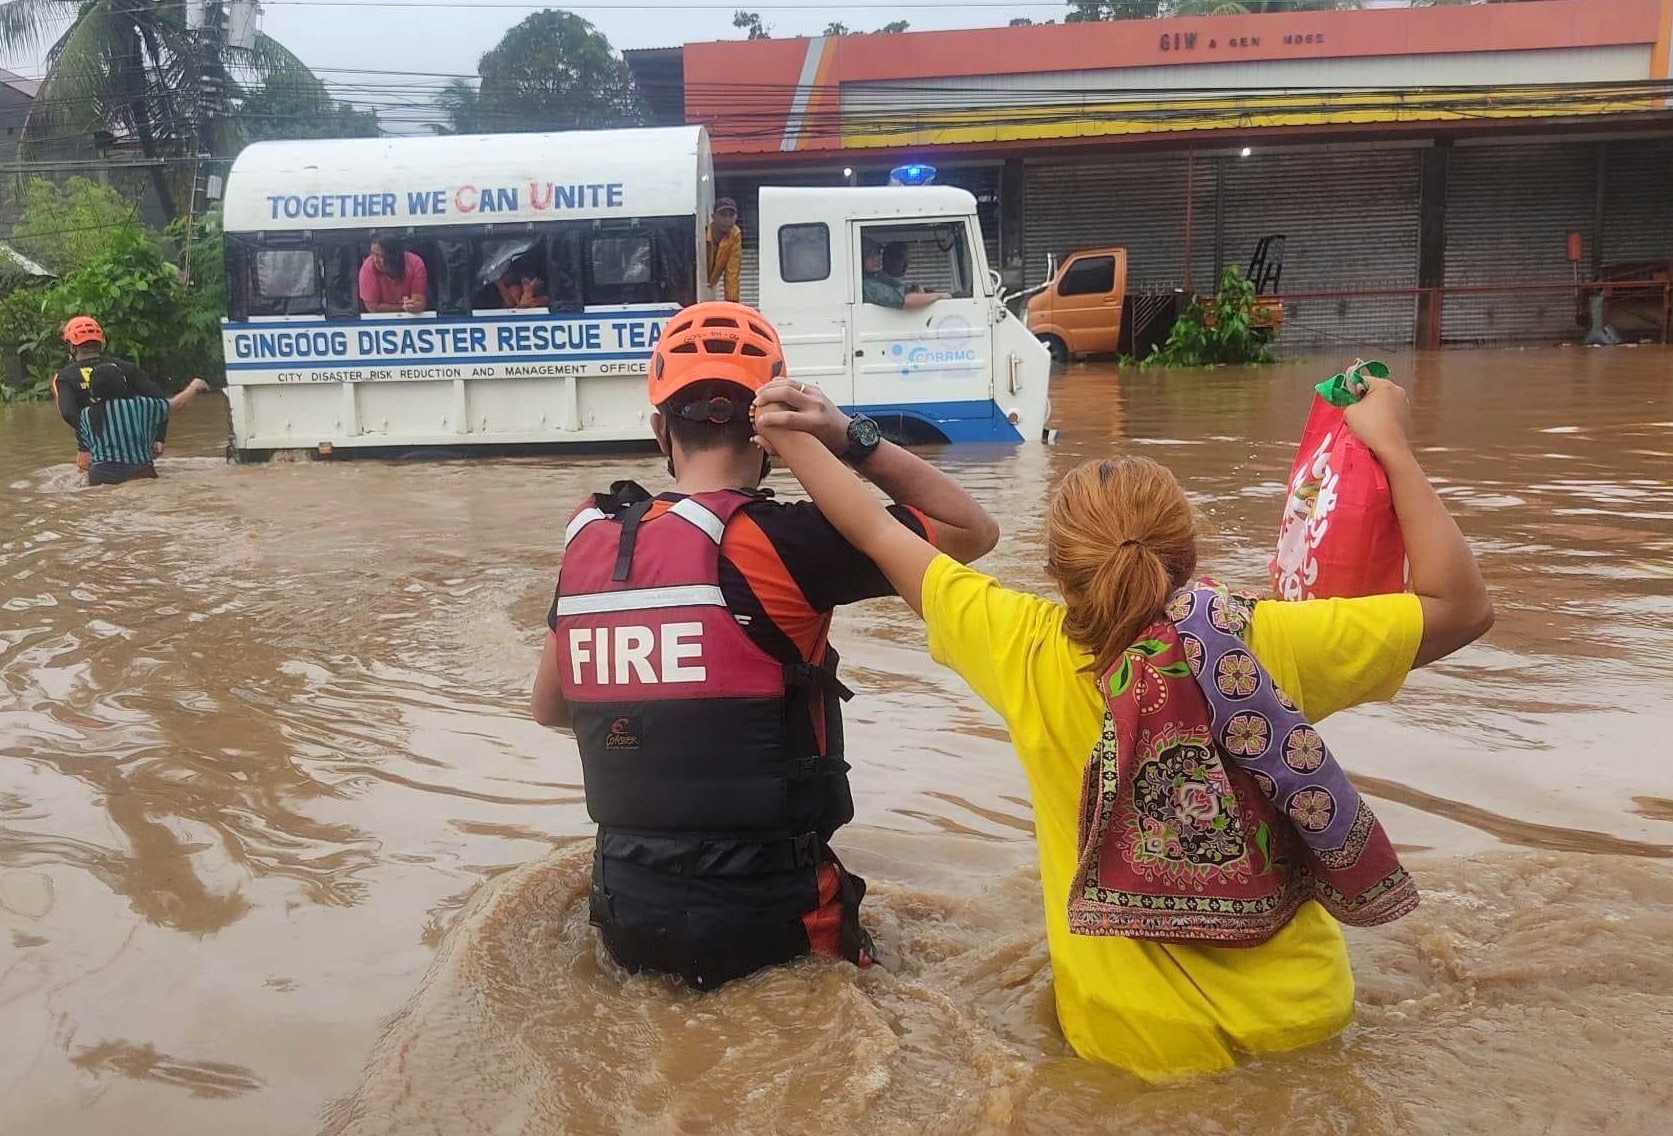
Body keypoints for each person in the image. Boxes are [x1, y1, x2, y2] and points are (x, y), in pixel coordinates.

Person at [750, 374, 1494, 1081]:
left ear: (1054, 568)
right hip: (1303, 1018)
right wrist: (1390, 445)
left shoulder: (1019, 647)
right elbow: (1462, 607)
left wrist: (802, 434)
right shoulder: (1267, 644)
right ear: (1188, 552)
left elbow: (878, 536)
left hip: (1128, 1042)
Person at [530, 301, 999, 991]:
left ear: (660, 428)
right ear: (769, 432)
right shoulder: (790, 542)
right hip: (773, 916)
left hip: (624, 911)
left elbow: (549, 708)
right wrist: (847, 437)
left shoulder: (592, 545)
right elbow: (971, 530)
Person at [53, 316, 172, 474]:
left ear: (72, 347)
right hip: (136, 448)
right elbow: (161, 401)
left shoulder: (65, 377)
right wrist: (158, 437)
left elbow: (68, 412)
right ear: (101, 342)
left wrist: (90, 437)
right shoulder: (126, 368)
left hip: (93, 452)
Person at [79, 365, 211, 486]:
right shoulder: (140, 405)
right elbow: (176, 405)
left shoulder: (86, 414)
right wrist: (194, 387)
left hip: (99, 475)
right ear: (122, 384)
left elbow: (90, 450)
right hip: (138, 473)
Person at [862, 242, 950, 311]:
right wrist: (940, 296)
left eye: (877, 253)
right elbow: (905, 300)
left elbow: (903, 290)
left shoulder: (878, 278)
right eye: (869, 255)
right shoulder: (867, 285)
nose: (876, 258)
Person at [359, 233, 428, 314]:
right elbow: (372, 308)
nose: (375, 260)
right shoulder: (367, 268)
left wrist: (413, 306)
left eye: (380, 256)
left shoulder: (415, 263)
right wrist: (402, 307)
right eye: (373, 254)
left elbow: (419, 304)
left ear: (394, 256)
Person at [705, 197, 742, 303]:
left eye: (731, 215)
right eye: (723, 215)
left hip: (709, 286)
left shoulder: (735, 234)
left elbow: (732, 273)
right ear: (713, 217)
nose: (727, 220)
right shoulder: (702, 233)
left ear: (736, 217)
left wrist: (732, 304)